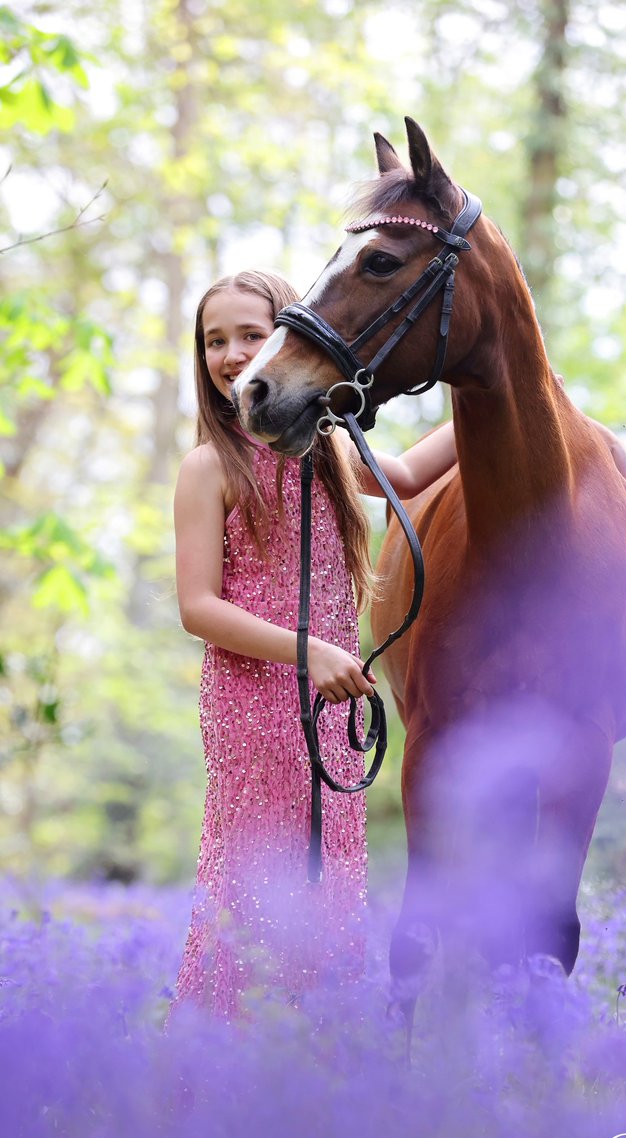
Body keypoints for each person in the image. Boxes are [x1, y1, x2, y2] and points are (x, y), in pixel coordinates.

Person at [170, 270, 457, 1020]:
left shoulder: (327, 449)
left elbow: (408, 472)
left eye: (250, 335)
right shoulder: (209, 468)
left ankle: (311, 1068)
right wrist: (311, 650)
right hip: (253, 707)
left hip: (326, 707)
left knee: (329, 883)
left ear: (290, 339)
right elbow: (197, 607)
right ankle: (227, 1066)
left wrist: (505, 386)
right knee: (257, 885)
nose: (232, 354)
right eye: (214, 340)